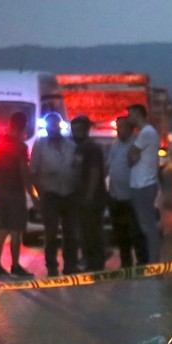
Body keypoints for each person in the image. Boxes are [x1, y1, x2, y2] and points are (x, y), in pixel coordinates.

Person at [0, 111, 33, 279]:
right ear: (24, 125)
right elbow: (24, 172)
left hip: (2, 190)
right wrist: (33, 194)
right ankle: (15, 266)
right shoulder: (20, 147)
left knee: (3, 229)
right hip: (15, 191)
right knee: (16, 230)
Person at [30, 112, 79, 276]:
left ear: (60, 126)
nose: (53, 129)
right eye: (49, 125)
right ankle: (51, 266)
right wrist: (40, 193)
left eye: (55, 125)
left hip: (70, 194)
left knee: (70, 232)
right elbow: (33, 171)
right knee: (51, 232)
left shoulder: (71, 145)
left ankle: (70, 265)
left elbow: (77, 167)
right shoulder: (40, 146)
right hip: (50, 194)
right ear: (46, 127)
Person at [70, 115, 107, 272]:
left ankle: (96, 262)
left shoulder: (92, 148)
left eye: (78, 130)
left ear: (86, 130)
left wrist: (90, 194)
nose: (75, 133)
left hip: (92, 196)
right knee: (84, 230)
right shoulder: (78, 147)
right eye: (73, 130)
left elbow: (95, 172)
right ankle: (89, 258)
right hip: (80, 195)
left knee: (92, 230)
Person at [126, 103, 161, 263]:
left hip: (144, 185)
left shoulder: (147, 133)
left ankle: (154, 263)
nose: (129, 119)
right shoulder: (145, 133)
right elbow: (132, 156)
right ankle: (149, 261)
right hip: (140, 185)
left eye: (130, 115)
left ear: (137, 114)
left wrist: (132, 155)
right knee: (145, 226)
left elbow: (131, 157)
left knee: (148, 227)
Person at [106, 115, 142, 267]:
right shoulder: (115, 145)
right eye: (117, 127)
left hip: (132, 197)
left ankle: (141, 263)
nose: (118, 130)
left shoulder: (137, 144)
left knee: (136, 232)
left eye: (122, 127)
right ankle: (125, 263)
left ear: (130, 128)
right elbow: (110, 166)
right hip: (116, 196)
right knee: (121, 233)